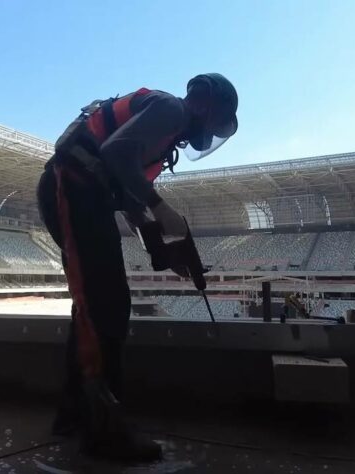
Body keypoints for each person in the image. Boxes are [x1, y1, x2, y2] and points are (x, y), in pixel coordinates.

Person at [36, 74, 238, 461]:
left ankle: (75, 415)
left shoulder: (161, 141)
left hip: (84, 193)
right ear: (203, 105)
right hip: (72, 188)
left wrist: (160, 248)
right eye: (216, 122)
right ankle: (104, 433)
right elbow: (114, 155)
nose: (210, 134)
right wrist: (162, 209)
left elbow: (127, 197)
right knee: (107, 306)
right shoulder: (170, 109)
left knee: (97, 305)